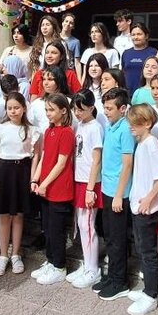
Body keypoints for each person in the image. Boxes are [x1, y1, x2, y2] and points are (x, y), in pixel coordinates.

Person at [0, 91, 41, 277]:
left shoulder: (32, 130)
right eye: (9, 108)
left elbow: (36, 156)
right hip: (2, 172)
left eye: (16, 108)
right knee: (3, 216)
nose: (13, 111)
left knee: (18, 216)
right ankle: (3, 255)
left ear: (24, 108)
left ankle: (15, 253)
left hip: (22, 172)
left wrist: (33, 178)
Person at [124, 103, 158, 315]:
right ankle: (148, 289)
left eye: (136, 123)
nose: (132, 127)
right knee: (143, 250)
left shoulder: (151, 143)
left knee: (148, 252)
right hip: (139, 205)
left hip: (147, 208)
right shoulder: (143, 143)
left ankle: (152, 294)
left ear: (147, 123)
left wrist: (148, 199)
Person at [30, 93, 76, 285]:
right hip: (45, 188)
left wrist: (45, 183)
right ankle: (50, 260)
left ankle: (59, 265)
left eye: (52, 110)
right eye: (47, 110)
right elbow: (44, 157)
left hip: (58, 188)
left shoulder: (67, 133)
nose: (48, 114)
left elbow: (61, 163)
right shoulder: (49, 131)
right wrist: (35, 179)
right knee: (48, 228)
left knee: (57, 230)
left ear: (63, 111)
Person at [93, 87, 134, 301]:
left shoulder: (126, 129)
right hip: (107, 188)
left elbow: (127, 164)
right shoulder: (110, 126)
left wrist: (119, 194)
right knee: (108, 235)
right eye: (105, 107)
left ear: (123, 108)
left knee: (118, 239)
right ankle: (111, 276)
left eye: (110, 108)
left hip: (120, 192)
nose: (106, 112)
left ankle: (120, 281)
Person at [67, 90, 104, 289]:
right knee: (82, 225)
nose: (78, 113)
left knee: (88, 225)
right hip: (79, 179)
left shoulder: (95, 127)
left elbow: (96, 159)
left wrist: (90, 188)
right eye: (75, 109)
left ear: (91, 107)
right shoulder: (80, 125)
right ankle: (87, 264)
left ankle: (93, 269)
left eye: (81, 109)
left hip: (90, 182)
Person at [29, 66, 71, 133]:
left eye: (50, 79)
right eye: (44, 79)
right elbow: (31, 126)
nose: (45, 83)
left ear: (59, 81)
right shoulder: (37, 104)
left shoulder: (69, 102)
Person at [121, 22, 157, 94]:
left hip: (146, 92)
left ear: (146, 36)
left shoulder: (153, 52)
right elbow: (122, 73)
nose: (136, 37)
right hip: (127, 93)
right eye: (133, 35)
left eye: (139, 34)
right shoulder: (126, 53)